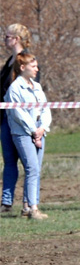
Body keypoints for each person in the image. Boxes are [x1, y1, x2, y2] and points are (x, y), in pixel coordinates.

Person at [5, 52, 51, 220]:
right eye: (33, 66)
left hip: (39, 130)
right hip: (23, 133)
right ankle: (34, 208)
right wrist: (33, 130)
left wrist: (43, 128)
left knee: (35, 170)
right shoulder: (14, 89)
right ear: (23, 68)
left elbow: (45, 109)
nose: (36, 69)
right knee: (32, 168)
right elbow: (19, 114)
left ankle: (26, 206)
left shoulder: (36, 86)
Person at [2, 23, 33, 215]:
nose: (4, 39)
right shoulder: (8, 62)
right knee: (9, 161)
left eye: (7, 36)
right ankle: (6, 203)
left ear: (16, 39)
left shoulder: (27, 60)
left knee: (28, 163)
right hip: (5, 120)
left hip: (22, 121)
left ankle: (28, 204)